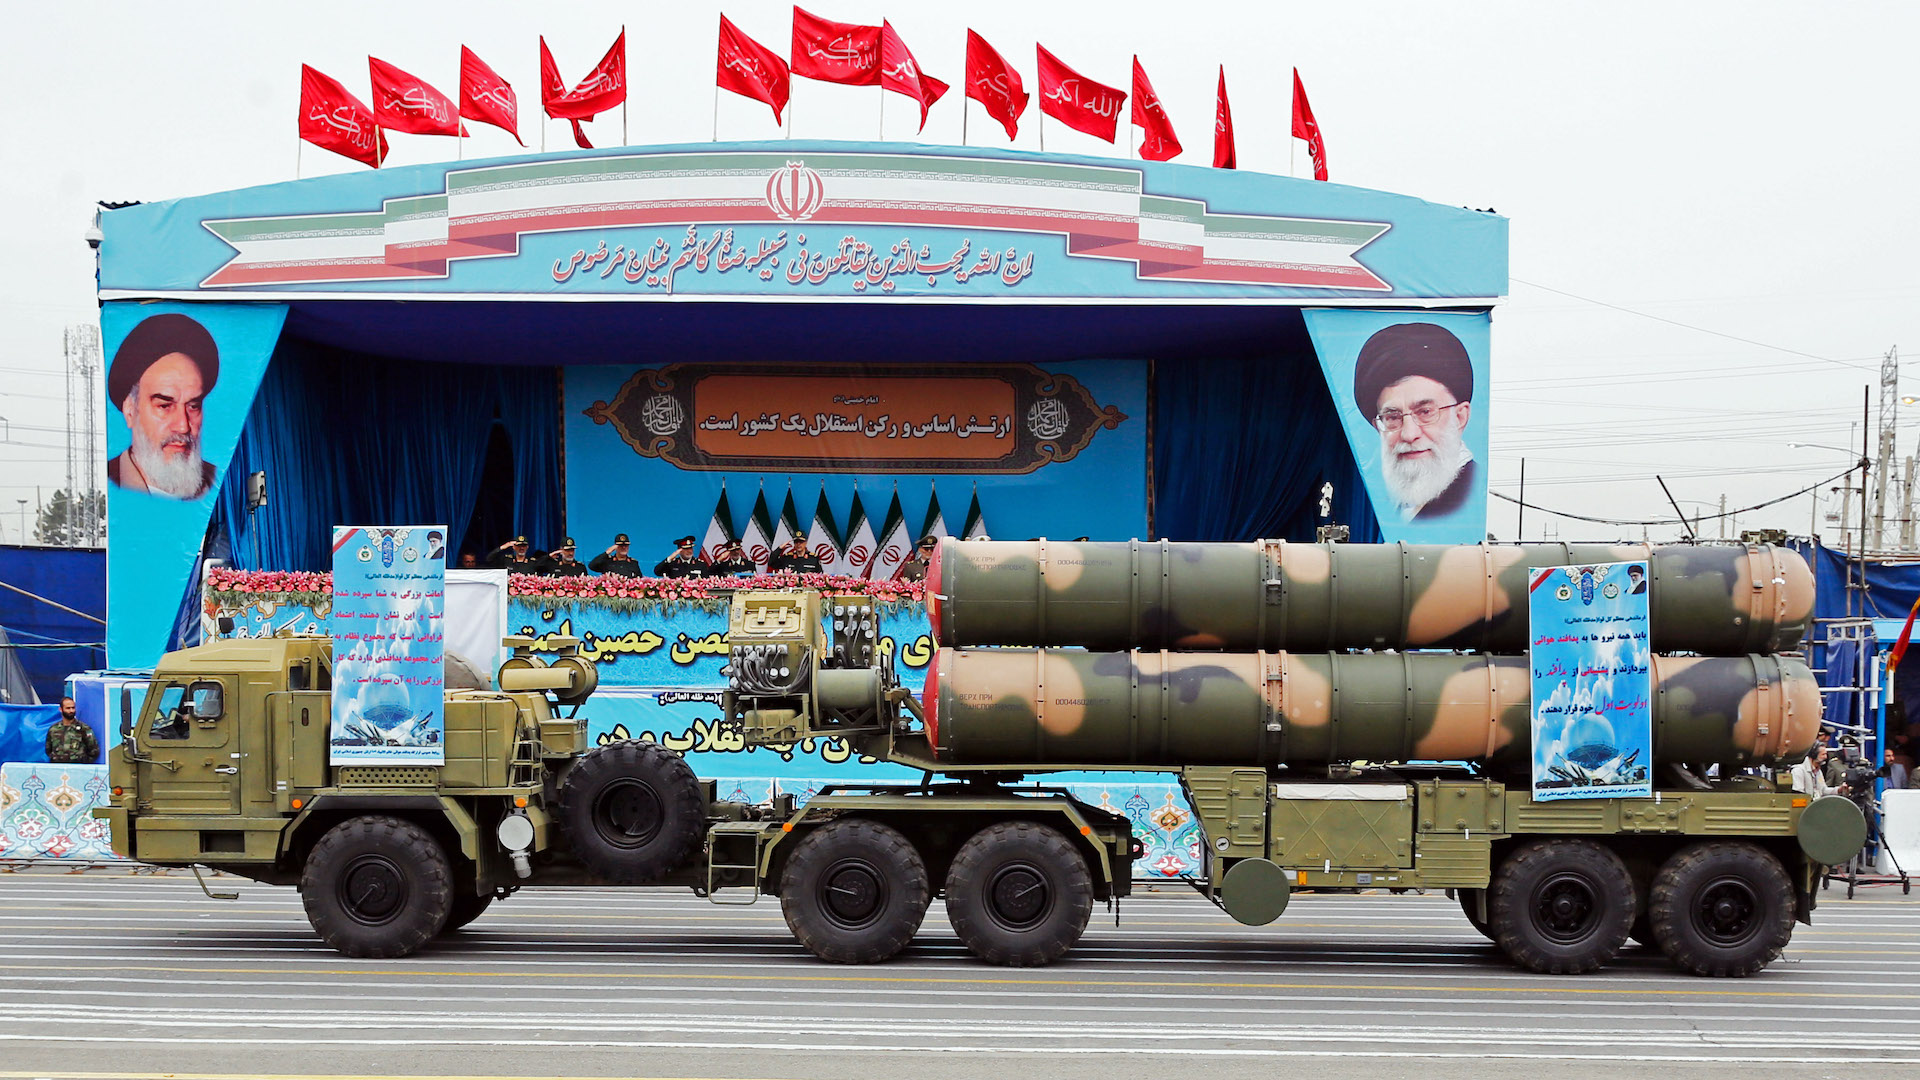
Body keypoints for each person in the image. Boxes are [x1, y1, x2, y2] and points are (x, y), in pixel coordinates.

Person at [1352, 322, 1478, 520]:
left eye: (1425, 412)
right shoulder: (1394, 504)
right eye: (1393, 417)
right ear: (1379, 427)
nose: (1409, 434)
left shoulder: (1471, 497)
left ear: (1460, 417)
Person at [106, 313, 220, 500]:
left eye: (193, 406)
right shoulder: (104, 486)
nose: (183, 426)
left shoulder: (219, 485)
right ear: (130, 410)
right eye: (165, 406)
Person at [45, 697, 99, 765]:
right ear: (61, 709)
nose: (71, 711)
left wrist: (82, 762)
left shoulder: (84, 729)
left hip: (77, 769)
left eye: (73, 708)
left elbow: (94, 751)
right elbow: (48, 750)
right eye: (68, 708)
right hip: (58, 769)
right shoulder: (53, 729)